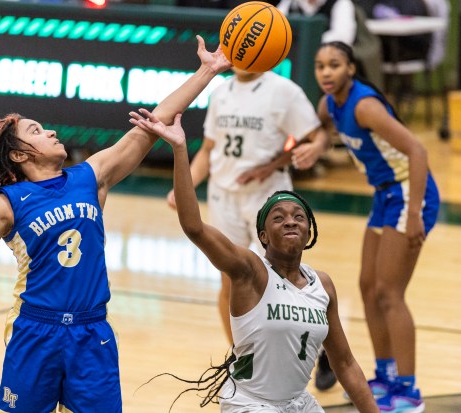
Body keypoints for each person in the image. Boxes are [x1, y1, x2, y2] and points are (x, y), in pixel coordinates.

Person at [0, 36, 231, 412]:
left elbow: (148, 127)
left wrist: (206, 71)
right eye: (36, 132)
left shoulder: (90, 176)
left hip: (92, 331)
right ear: (18, 154)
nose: (51, 132)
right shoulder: (6, 204)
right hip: (34, 330)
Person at [129, 107, 380, 413]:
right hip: (250, 404)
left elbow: (345, 363)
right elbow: (194, 227)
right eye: (278, 218)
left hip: (298, 403)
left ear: (309, 230)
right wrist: (180, 150)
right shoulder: (250, 270)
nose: (290, 222)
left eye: (298, 217)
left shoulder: (322, 285)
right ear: (262, 236)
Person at [314, 40, 440, 412]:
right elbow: (320, 128)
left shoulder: (365, 105)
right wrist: (316, 143)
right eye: (320, 66)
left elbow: (418, 151)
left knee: (389, 292)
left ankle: (409, 391)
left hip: (408, 194)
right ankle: (384, 377)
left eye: (334, 65)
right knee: (367, 287)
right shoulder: (329, 104)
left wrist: (415, 212)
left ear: (351, 69)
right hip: (384, 195)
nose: (326, 72)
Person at [165, 66, 326, 347]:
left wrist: (292, 157)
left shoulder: (283, 90)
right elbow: (208, 149)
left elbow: (317, 137)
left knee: (283, 279)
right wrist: (184, 188)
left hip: (269, 196)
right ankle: (241, 359)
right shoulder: (220, 92)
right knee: (229, 278)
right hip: (223, 195)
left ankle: (315, 344)